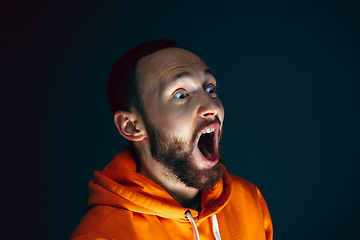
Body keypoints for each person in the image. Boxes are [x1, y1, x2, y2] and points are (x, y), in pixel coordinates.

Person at [69, 39, 273, 240]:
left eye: (210, 89)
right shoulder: (101, 235)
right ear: (131, 126)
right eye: (181, 94)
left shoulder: (249, 200)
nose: (212, 106)